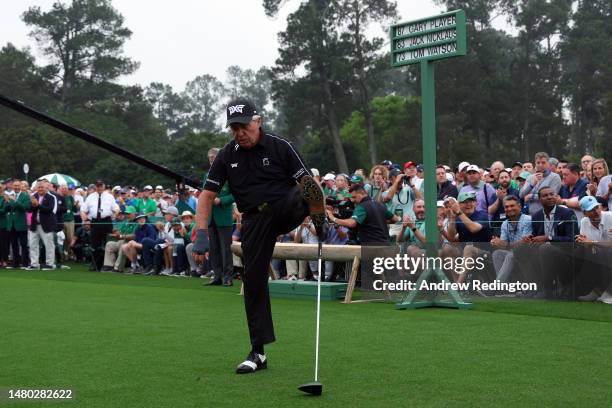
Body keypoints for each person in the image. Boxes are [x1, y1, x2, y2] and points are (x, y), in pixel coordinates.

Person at [193, 98, 326, 374]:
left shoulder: (280, 146)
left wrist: (319, 219)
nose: (240, 133)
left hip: (285, 208)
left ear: (258, 121)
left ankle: (316, 217)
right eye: (234, 128)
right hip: (254, 219)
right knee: (253, 282)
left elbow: (309, 186)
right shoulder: (227, 155)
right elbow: (207, 196)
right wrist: (202, 233)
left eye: (244, 126)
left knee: (304, 188)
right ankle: (258, 352)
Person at [515, 186, 578, 299]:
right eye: (545, 195)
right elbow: (536, 236)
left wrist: (548, 238)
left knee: (545, 248)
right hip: (542, 251)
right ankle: (534, 286)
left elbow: (572, 239)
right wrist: (530, 239)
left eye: (551, 194)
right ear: (540, 200)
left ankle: (548, 290)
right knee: (521, 249)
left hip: (565, 252)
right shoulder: (536, 216)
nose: (549, 197)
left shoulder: (567, 213)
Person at [326, 182, 400, 244]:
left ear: (362, 193)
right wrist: (377, 220)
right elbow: (396, 219)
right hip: (385, 245)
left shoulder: (361, 207)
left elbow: (351, 223)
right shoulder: (379, 204)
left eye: (354, 197)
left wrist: (333, 217)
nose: (352, 200)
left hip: (371, 247)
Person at [445, 192, 493, 283]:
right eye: (465, 202)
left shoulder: (482, 215)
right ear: (459, 204)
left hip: (485, 252)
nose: (469, 204)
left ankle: (459, 285)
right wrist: (452, 218)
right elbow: (451, 237)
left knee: (469, 248)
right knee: (447, 248)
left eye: (471, 201)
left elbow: (473, 228)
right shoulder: (458, 218)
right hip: (465, 254)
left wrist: (459, 212)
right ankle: (457, 283)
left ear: (476, 203)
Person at [206, 147, 236, 286]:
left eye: (214, 158)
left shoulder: (229, 174)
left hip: (224, 217)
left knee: (226, 249)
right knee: (214, 249)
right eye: (210, 158)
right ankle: (217, 276)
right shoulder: (206, 175)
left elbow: (235, 194)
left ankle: (228, 277)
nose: (212, 161)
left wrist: (221, 200)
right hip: (211, 217)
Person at [574, 196, 612, 304]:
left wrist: (593, 243)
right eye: (591, 210)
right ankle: (597, 290)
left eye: (596, 207)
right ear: (585, 213)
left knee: (608, 253)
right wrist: (585, 243)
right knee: (584, 253)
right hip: (598, 254)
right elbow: (586, 244)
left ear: (600, 207)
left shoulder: (610, 216)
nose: (596, 211)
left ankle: (609, 292)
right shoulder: (584, 222)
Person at [490, 196, 532, 282]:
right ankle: (506, 288)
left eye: (512, 206)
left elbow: (524, 243)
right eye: (506, 207)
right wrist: (497, 243)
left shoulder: (527, 219)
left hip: (527, 252)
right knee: (497, 253)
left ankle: (498, 286)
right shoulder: (505, 224)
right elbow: (504, 245)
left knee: (511, 255)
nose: (509, 208)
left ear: (519, 206)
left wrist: (504, 244)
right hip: (513, 251)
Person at [81, 180, 119, 270]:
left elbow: (116, 207)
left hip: (106, 221)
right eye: (98, 186)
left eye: (101, 185)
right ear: (95, 186)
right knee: (95, 244)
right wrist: (85, 219)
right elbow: (83, 210)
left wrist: (116, 212)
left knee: (107, 243)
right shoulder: (90, 197)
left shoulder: (110, 196)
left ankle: (107, 264)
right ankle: (95, 264)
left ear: (104, 186)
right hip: (94, 222)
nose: (99, 187)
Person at [27, 180, 57, 270]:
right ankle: (34, 264)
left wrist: (38, 205)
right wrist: (33, 205)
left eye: (42, 187)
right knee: (32, 244)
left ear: (46, 188)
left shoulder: (51, 197)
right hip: (34, 224)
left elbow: (49, 210)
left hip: (46, 225)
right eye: (39, 187)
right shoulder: (34, 196)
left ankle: (50, 264)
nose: (40, 189)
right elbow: (29, 210)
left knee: (49, 245)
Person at [5, 179, 31, 268]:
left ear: (21, 186)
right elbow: (8, 209)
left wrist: (15, 201)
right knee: (14, 245)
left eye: (18, 185)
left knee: (24, 245)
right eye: (15, 186)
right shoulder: (10, 195)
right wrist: (7, 203)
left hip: (21, 224)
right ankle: (15, 263)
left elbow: (25, 208)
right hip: (12, 224)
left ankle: (25, 263)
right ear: (12, 186)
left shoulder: (25, 196)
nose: (16, 187)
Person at [488, 169, 520, 234]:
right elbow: (490, 211)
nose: (504, 179)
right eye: (501, 178)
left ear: (510, 179)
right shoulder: (494, 194)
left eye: (506, 177)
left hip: (515, 225)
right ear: (498, 180)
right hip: (498, 226)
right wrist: (499, 199)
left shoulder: (517, 193)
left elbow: (520, 209)